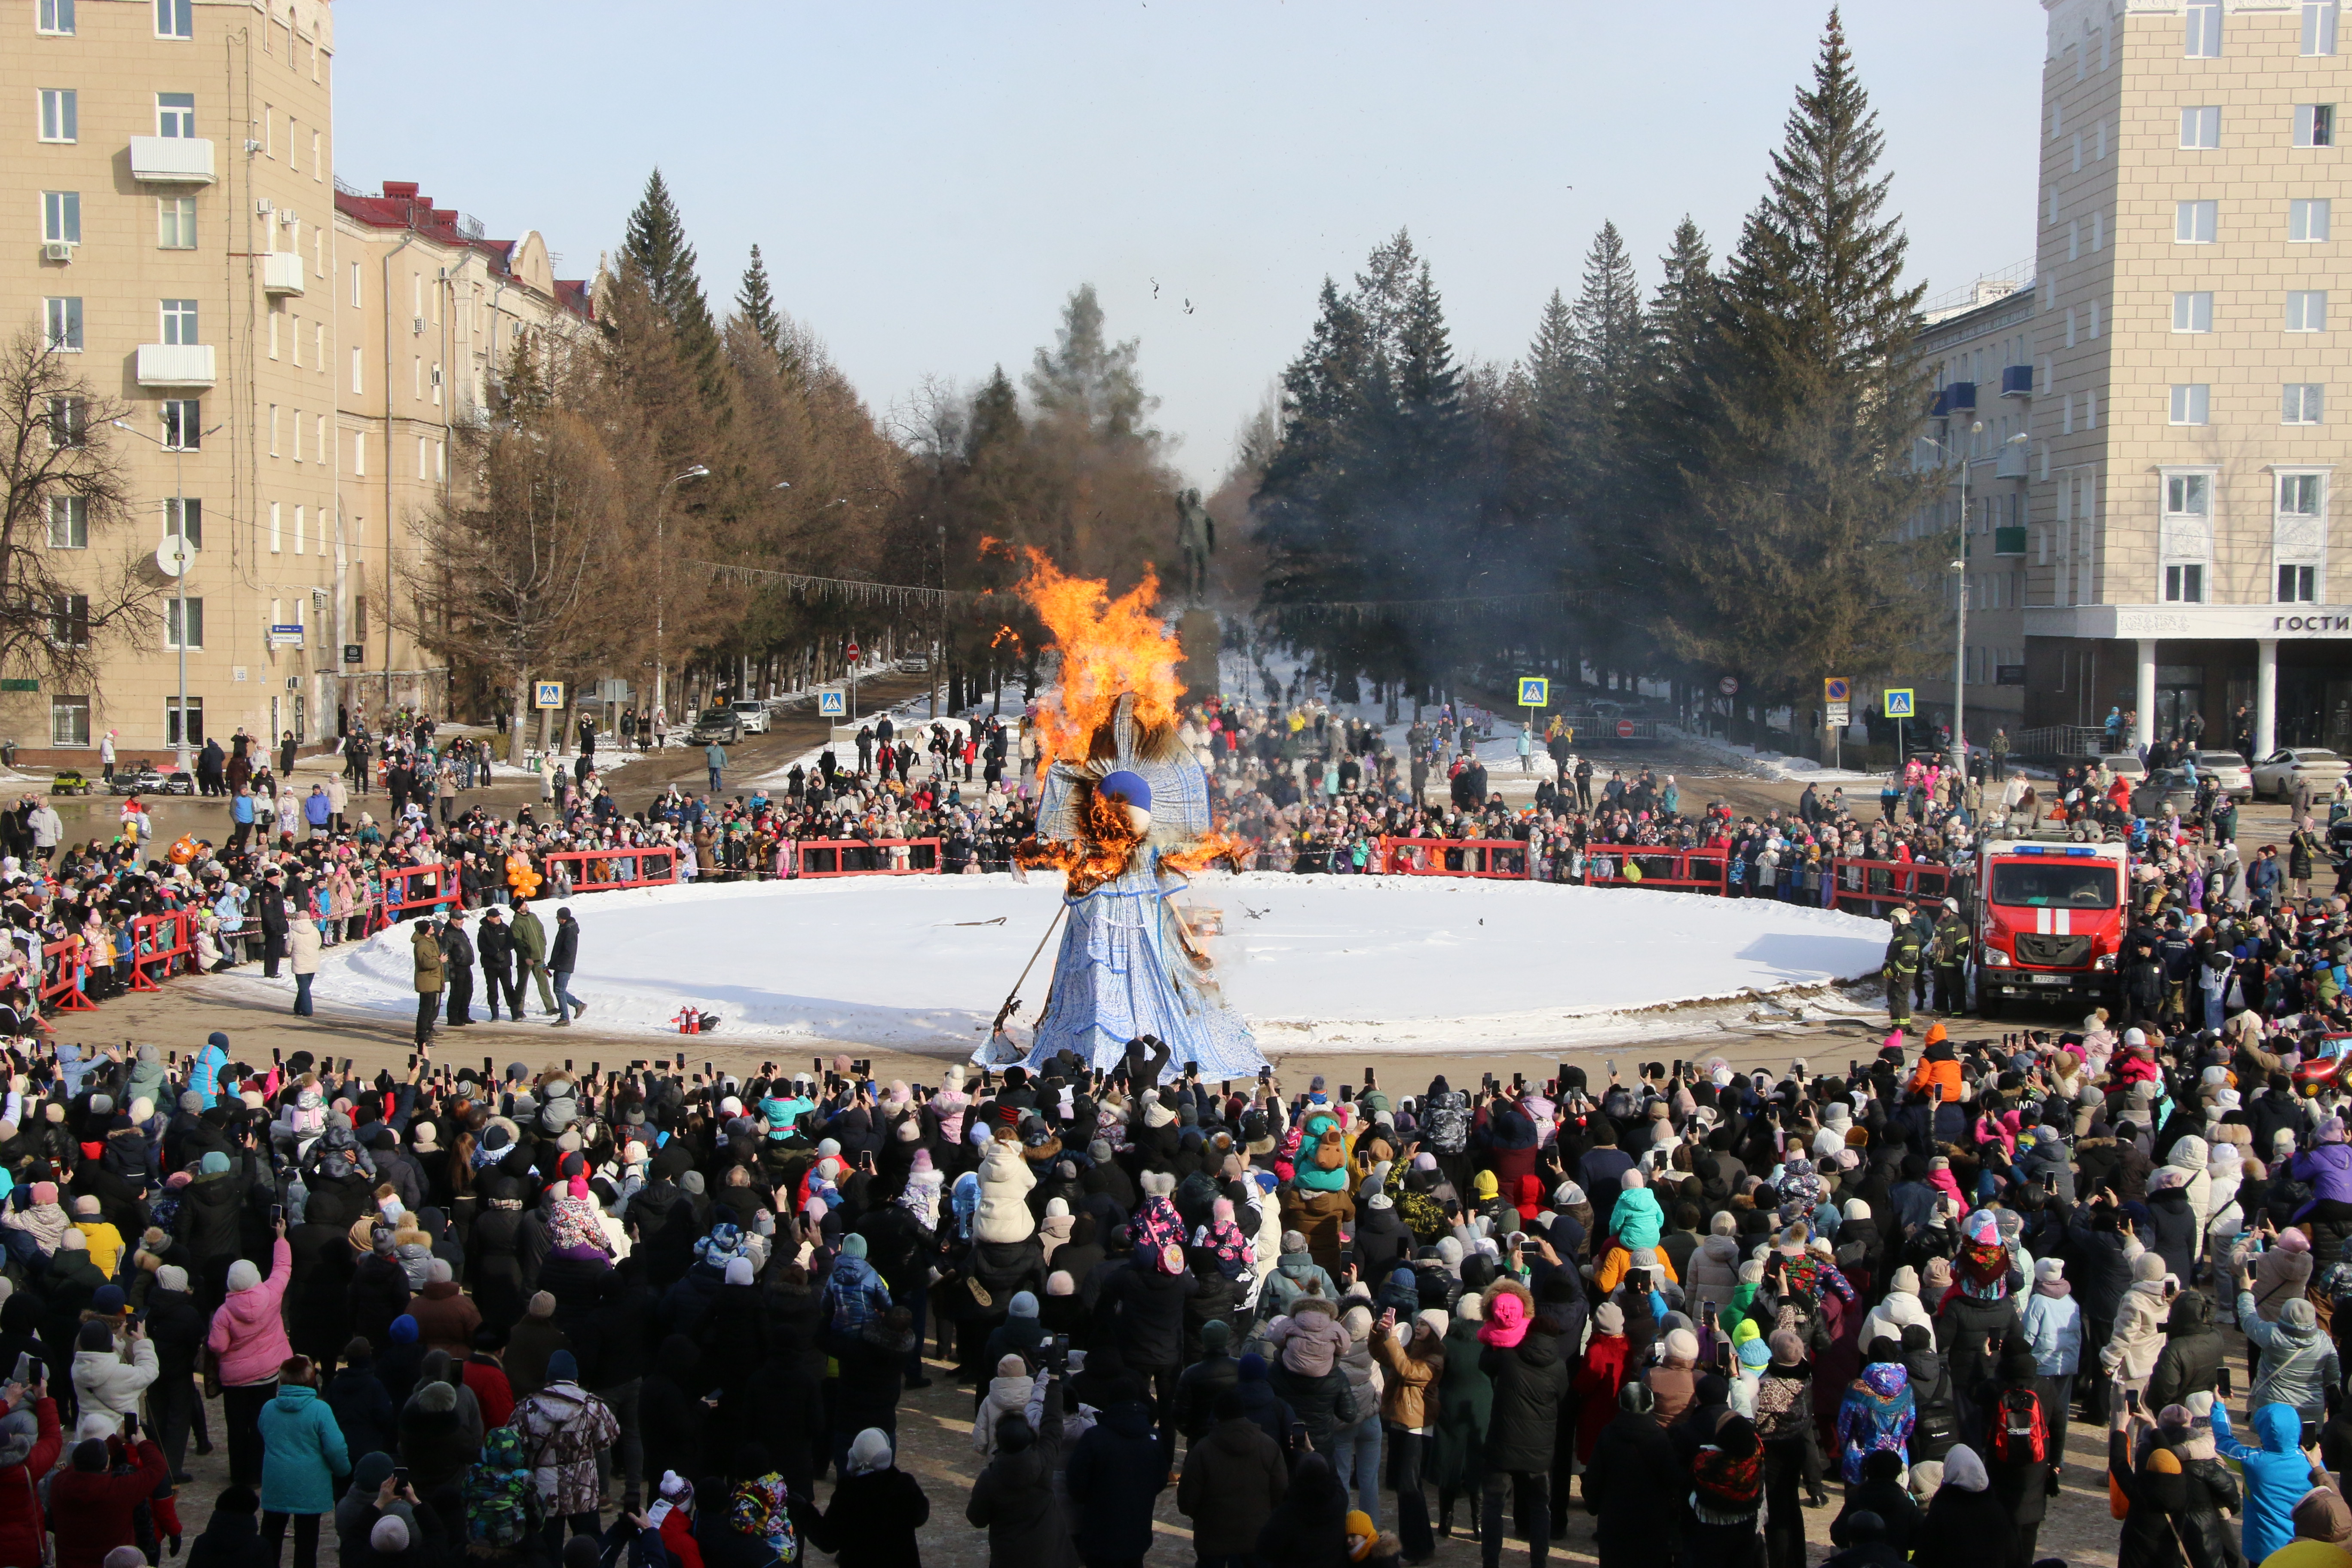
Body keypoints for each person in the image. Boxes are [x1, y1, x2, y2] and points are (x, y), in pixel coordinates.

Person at [508, 1348, 619, 1556]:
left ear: (549, 1377)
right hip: (583, 1488)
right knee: (590, 1546)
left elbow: (514, 1448)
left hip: (544, 1491)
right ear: (575, 1377)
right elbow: (607, 1440)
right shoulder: (592, 1405)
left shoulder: (527, 1407)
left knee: (547, 1551)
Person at [208, 1229, 294, 1488]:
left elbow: (218, 1346)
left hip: (236, 1380)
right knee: (262, 1424)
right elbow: (283, 1267)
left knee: (237, 1428)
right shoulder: (271, 1294)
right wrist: (281, 1238)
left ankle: (239, 1476)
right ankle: (258, 1474)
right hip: (268, 1373)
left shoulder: (224, 1313)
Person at [1178, 1386, 1288, 1568]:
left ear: (1217, 1415)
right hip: (1257, 1536)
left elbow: (1187, 1500)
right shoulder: (1268, 1446)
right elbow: (1281, 1491)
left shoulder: (1202, 1450)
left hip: (1212, 1538)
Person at [257, 1355, 350, 1568]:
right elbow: (335, 1447)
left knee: (270, 1534)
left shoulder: (269, 1408)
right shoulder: (320, 1409)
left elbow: (264, 1433)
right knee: (307, 1542)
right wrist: (343, 1471)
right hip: (310, 1485)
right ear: (310, 1380)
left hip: (276, 1480)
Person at [808, 1427, 930, 1568]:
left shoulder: (848, 1494)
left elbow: (828, 1541)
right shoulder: (903, 1486)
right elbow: (921, 1516)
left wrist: (806, 1512)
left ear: (853, 1457)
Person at [549, 906, 585, 1026]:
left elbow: (567, 951)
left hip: (564, 965)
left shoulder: (569, 930)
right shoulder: (565, 927)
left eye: (558, 916)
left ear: (562, 918)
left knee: (559, 990)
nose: (557, 918)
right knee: (559, 990)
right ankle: (578, 1005)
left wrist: (556, 964)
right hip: (560, 965)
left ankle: (565, 1017)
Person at [410, 918, 443, 1047]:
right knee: (425, 1011)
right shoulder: (423, 944)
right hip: (427, 981)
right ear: (425, 931)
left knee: (429, 1010)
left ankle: (423, 1035)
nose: (433, 928)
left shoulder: (430, 941)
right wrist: (440, 961)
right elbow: (426, 963)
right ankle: (421, 1038)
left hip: (432, 980)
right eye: (430, 927)